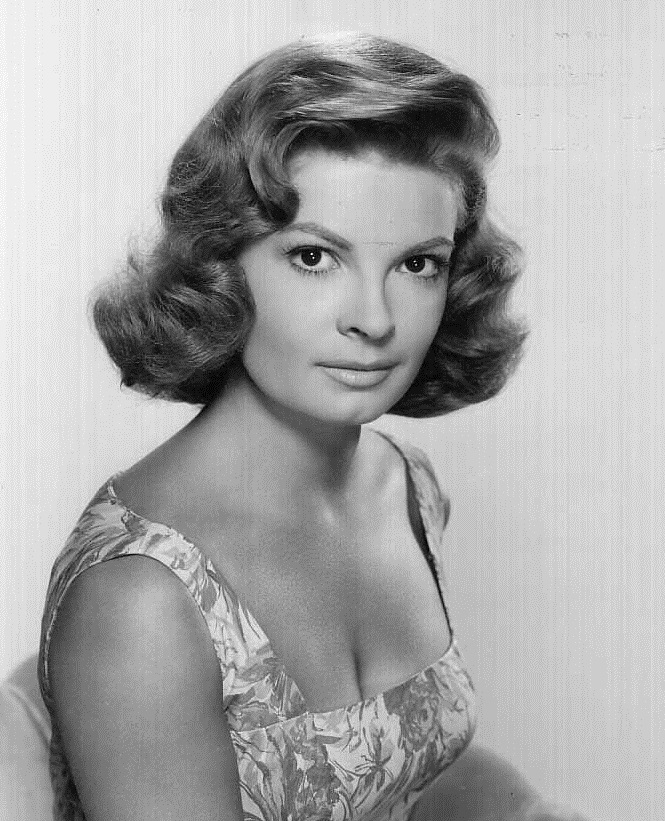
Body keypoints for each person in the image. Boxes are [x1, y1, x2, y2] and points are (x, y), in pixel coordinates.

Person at [38, 32, 588, 821]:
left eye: (416, 264)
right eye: (313, 257)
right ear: (222, 264)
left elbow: (407, 769)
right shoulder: (140, 599)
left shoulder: (406, 485)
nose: (373, 319)